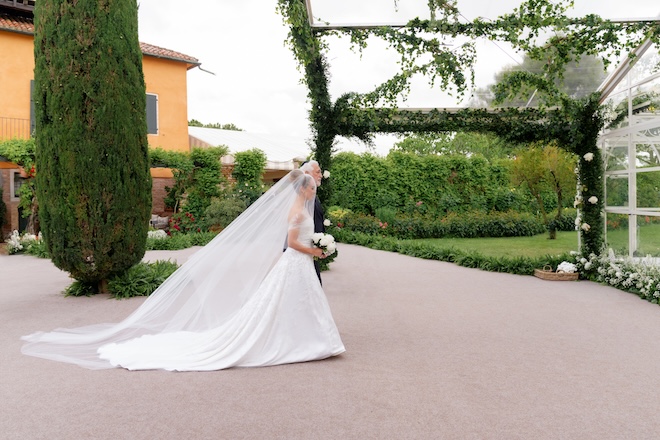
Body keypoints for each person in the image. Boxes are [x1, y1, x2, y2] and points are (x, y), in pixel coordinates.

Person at [21, 171, 345, 371]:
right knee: (284, 302)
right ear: (303, 190)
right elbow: (291, 241)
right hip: (297, 262)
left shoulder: (300, 206)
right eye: (312, 188)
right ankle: (306, 341)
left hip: (300, 266)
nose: (314, 191)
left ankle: (310, 339)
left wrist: (316, 247)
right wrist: (316, 249)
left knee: (295, 302)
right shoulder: (296, 210)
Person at [299, 160, 325, 284]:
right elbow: (291, 239)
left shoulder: (312, 198)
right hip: (302, 256)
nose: (321, 175)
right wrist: (313, 250)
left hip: (310, 256)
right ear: (306, 173)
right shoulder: (300, 201)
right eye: (318, 172)